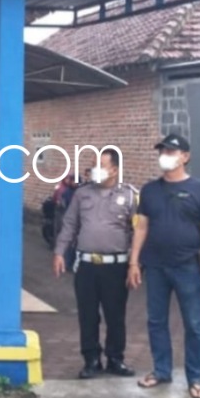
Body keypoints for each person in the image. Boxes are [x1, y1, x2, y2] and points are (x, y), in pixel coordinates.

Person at [127, 134, 200, 398]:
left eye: (170, 152)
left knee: (194, 324)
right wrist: (134, 262)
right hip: (155, 267)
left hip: (187, 267)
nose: (165, 156)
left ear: (185, 157)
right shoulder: (149, 190)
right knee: (156, 321)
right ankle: (161, 370)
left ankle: (196, 379)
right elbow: (141, 227)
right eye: (162, 151)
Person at [53, 149, 139, 379]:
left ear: (114, 170)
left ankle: (115, 359)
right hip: (87, 266)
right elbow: (69, 225)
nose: (94, 170)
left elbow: (138, 231)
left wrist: (135, 264)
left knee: (115, 315)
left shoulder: (130, 195)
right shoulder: (82, 194)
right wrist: (60, 252)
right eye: (93, 165)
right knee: (88, 315)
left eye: (100, 165)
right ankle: (91, 359)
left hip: (116, 266)